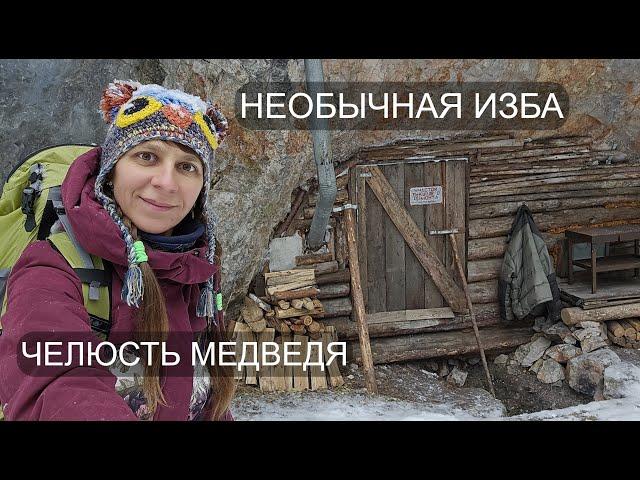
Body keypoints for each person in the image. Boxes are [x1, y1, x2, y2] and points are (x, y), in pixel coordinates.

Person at [0, 80, 236, 420]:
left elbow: (204, 401)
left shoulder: (197, 271)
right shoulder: (51, 268)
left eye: (187, 166)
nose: (167, 183)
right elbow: (56, 385)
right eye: (147, 156)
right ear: (111, 172)